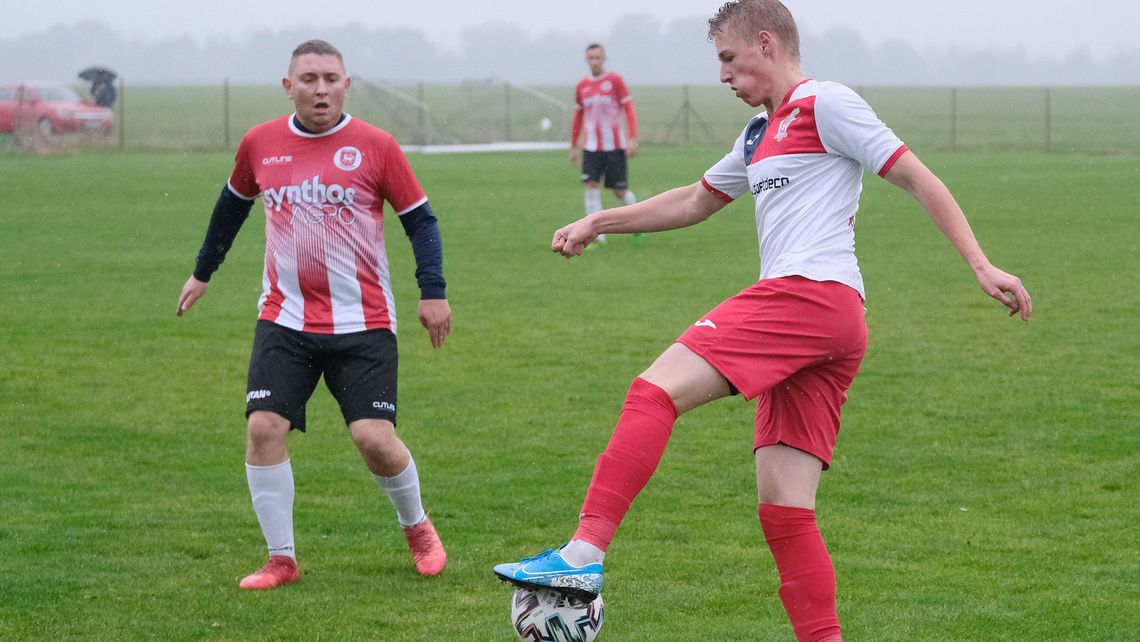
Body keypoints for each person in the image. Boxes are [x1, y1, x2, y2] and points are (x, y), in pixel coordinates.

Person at [494, 2, 1032, 640]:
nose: (723, 75)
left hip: (808, 296)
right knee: (785, 510)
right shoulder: (757, 132)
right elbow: (696, 200)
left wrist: (980, 264)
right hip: (830, 324)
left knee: (653, 390)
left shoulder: (824, 103)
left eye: (728, 58)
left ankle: (582, 555)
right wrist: (597, 220)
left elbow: (917, 177)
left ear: (767, 44)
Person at [177, 39, 452, 590]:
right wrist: (203, 271)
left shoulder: (376, 145)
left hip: (364, 322)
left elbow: (421, 220)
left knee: (374, 439)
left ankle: (417, 525)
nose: (320, 88)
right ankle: (281, 559)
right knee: (263, 428)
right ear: (289, 86)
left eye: (330, 77)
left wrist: (433, 291)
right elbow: (232, 205)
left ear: (347, 84)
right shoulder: (261, 143)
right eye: (309, 79)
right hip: (285, 319)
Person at [569, 43, 640, 245]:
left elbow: (629, 109)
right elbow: (579, 116)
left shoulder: (615, 81)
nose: (594, 61)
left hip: (614, 147)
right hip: (591, 148)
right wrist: (574, 145)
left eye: (597, 57)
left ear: (604, 59)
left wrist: (632, 137)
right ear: (586, 60)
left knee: (619, 191)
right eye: (590, 58)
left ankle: (638, 225)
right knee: (591, 187)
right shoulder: (582, 86)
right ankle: (597, 238)